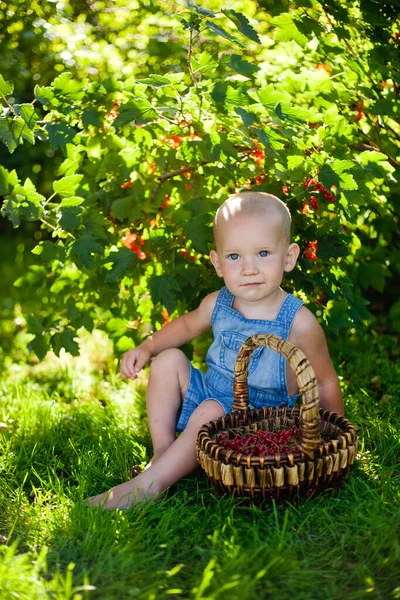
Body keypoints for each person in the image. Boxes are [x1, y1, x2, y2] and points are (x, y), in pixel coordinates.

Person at [88, 191, 344, 509]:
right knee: (169, 360)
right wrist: (147, 346)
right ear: (218, 263)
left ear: (289, 257)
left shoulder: (299, 322)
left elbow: (323, 382)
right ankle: (163, 452)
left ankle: (148, 487)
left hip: (259, 424)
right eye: (235, 257)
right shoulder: (217, 303)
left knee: (210, 411)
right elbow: (184, 327)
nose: (249, 268)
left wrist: (334, 440)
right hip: (210, 395)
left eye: (263, 253)